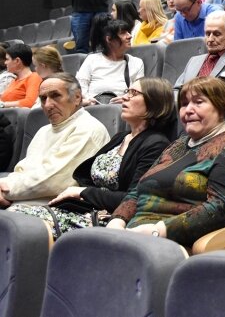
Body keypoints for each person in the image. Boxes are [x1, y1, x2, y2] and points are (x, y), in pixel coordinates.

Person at [9, 77, 173, 238]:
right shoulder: (121, 138)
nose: (125, 97)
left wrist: (83, 192)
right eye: (127, 91)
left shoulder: (156, 144)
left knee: (17, 218)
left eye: (134, 93)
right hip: (84, 208)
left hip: (108, 218)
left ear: (154, 102)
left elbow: (133, 199)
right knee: (12, 218)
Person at [107, 76, 225, 248]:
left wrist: (159, 231)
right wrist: (117, 221)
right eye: (184, 104)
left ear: (221, 108)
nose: (188, 110)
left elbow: (221, 207)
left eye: (198, 102)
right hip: (131, 235)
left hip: (170, 243)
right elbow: (137, 191)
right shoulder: (178, 144)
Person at [0, 73, 109, 207]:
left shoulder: (90, 128)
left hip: (60, 208)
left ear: (77, 97)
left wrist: (5, 189)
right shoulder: (43, 131)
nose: (48, 105)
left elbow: (54, 180)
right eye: (43, 98)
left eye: (55, 96)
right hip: (21, 201)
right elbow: (23, 171)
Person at [76, 19, 145, 105]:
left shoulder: (137, 63)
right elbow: (80, 87)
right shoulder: (92, 59)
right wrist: (89, 101)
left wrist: (127, 99)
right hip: (92, 109)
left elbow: (138, 93)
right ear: (109, 39)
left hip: (122, 110)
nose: (130, 36)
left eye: (128, 32)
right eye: (123, 33)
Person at [174, 11, 225, 90]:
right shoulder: (193, 60)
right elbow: (176, 89)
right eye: (207, 34)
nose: (210, 39)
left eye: (217, 34)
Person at [0, 43, 43, 108]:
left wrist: (3, 105)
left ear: (17, 61)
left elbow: (30, 102)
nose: (5, 62)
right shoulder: (15, 80)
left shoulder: (34, 77)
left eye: (7, 59)